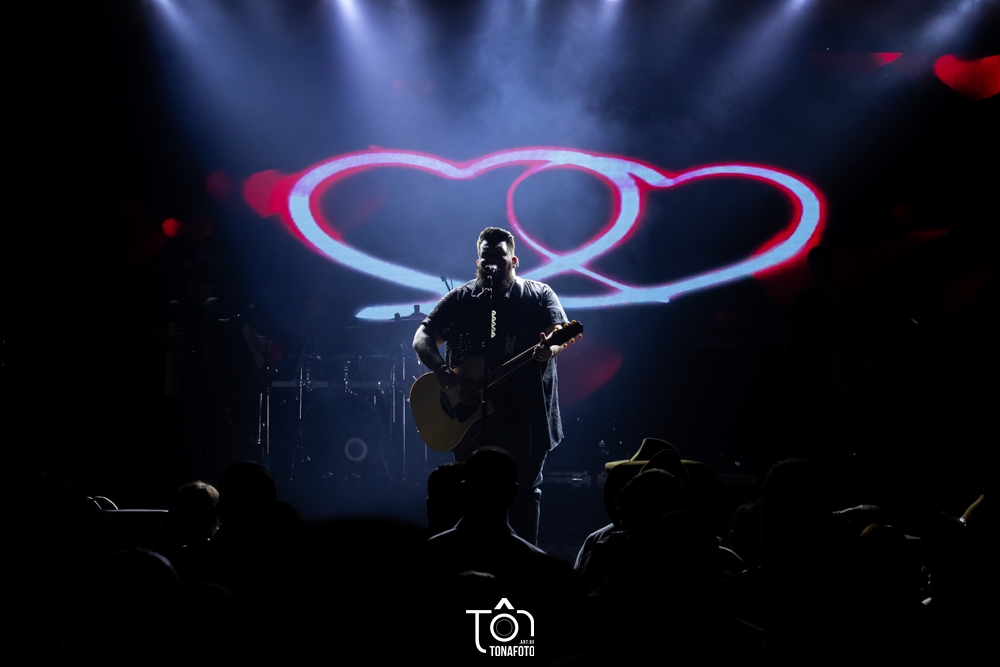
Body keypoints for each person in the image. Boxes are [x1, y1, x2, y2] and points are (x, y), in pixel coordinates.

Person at [412, 227, 569, 545]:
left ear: (514, 261)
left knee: (522, 494)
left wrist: (548, 349)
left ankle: (522, 564)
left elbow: (558, 332)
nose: (491, 263)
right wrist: (441, 368)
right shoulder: (461, 299)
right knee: (470, 497)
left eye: (499, 256)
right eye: (486, 257)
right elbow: (422, 336)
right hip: (468, 420)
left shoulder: (538, 296)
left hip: (525, 420)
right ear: (478, 262)